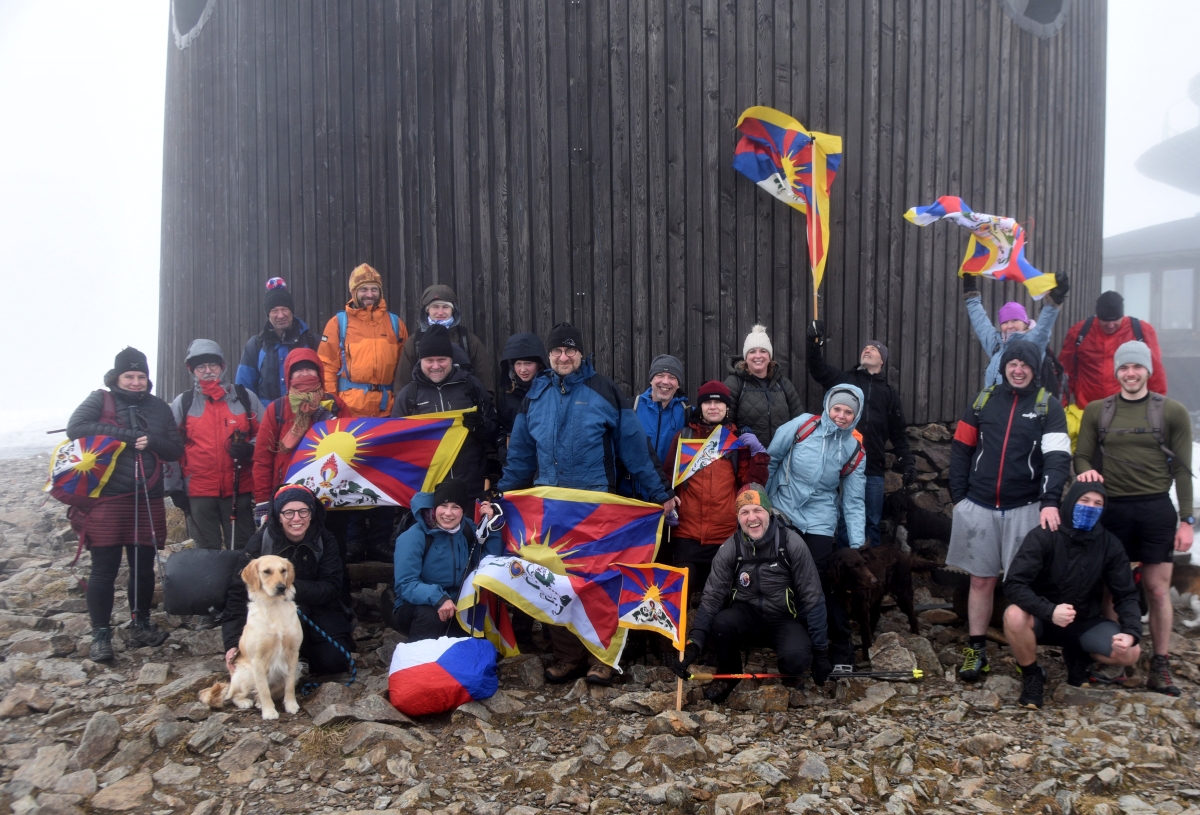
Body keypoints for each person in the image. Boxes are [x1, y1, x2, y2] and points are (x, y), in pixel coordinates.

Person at [498, 322, 677, 685]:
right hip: (550, 506)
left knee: (598, 581)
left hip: (597, 504)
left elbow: (634, 448)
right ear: (548, 356)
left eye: (570, 351)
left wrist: (660, 493)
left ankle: (602, 657)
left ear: (582, 353)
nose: (564, 358)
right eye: (556, 352)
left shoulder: (605, 390)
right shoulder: (536, 394)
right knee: (555, 582)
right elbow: (520, 455)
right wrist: (502, 496)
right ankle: (567, 657)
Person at [1074, 340, 1193, 695]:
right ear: (1116, 372)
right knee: (1113, 588)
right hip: (1113, 510)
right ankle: (1119, 660)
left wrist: (1187, 520)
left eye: (1137, 367)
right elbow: (1081, 457)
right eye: (1124, 368)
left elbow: (1184, 470)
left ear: (1148, 370)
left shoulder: (1171, 411)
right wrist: (1088, 476)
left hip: (1157, 509)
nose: (1130, 373)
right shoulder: (1099, 410)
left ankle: (1160, 664)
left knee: (1157, 590)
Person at [948, 340, 1071, 682]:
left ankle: (1023, 652)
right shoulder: (984, 400)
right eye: (1012, 363)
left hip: (1026, 506)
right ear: (1004, 367)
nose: (1018, 370)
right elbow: (961, 448)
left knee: (1024, 584)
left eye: (1025, 365)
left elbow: (1057, 460)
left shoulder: (1049, 406)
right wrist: (959, 496)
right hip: (980, 505)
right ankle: (976, 650)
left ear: (1035, 368)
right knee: (981, 580)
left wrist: (1049, 501)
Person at [66, 348, 184, 661]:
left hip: (148, 495)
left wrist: (152, 442)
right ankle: (100, 635)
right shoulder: (100, 399)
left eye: (140, 376)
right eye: (129, 376)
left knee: (143, 566)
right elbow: (75, 428)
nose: (135, 382)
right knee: (104, 568)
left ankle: (140, 625)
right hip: (107, 497)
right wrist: (125, 435)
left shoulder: (159, 408)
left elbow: (174, 448)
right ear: (117, 377)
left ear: (147, 379)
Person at [670, 485, 831, 704]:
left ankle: (791, 674)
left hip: (784, 617)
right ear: (738, 517)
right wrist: (694, 643)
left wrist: (821, 652)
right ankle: (729, 673)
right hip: (747, 616)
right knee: (721, 623)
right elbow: (711, 597)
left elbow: (813, 597)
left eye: (757, 510)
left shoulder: (791, 543)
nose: (752, 518)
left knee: (797, 658)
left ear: (769, 512)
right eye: (744, 512)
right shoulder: (731, 547)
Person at [1002, 481, 1143, 709]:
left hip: (1084, 622)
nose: (1090, 507)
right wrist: (1049, 610)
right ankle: (1032, 674)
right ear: (1071, 502)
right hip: (1042, 619)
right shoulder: (1044, 534)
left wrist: (1131, 633)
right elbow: (1014, 584)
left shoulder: (1109, 544)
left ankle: (1078, 656)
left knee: (1131, 653)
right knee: (1014, 615)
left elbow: (1126, 594)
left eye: (1098, 504)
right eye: (1084, 501)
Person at [766, 384, 867, 670]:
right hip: (784, 509)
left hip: (821, 519)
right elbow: (770, 461)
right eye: (837, 409)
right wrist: (761, 505)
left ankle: (841, 646)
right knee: (783, 577)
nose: (841, 415)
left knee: (820, 582)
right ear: (827, 406)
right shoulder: (802, 426)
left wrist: (857, 545)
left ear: (856, 416)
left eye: (849, 412)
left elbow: (854, 501)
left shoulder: (854, 451)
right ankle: (793, 643)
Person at [318, 263, 409, 564]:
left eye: (373, 290)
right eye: (363, 290)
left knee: (382, 474)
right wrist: (331, 402)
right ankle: (355, 540)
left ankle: (381, 539)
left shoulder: (395, 323)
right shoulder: (339, 323)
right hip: (350, 410)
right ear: (353, 293)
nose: (369, 295)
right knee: (351, 475)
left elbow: (406, 367)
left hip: (385, 409)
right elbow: (327, 365)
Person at [222, 485, 354, 677]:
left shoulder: (325, 540)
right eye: (289, 513)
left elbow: (332, 586)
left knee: (333, 663)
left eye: (303, 511)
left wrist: (289, 588)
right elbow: (238, 592)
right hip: (271, 615)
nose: (297, 519)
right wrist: (233, 643)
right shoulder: (261, 543)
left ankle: (303, 656)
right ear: (278, 515)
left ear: (311, 513)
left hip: (319, 611)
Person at [806, 323, 916, 547]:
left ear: (882, 360)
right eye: (865, 347)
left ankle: (871, 568)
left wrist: (908, 463)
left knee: (872, 521)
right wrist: (813, 343)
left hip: (873, 467)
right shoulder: (846, 380)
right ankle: (847, 567)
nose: (867, 349)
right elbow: (818, 369)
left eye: (874, 349)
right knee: (845, 521)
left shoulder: (889, 394)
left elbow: (898, 433)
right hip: (842, 464)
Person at [662, 381, 768, 594]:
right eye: (707, 402)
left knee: (721, 595)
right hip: (687, 534)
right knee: (681, 594)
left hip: (724, 535)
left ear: (726, 407)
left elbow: (750, 487)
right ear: (699, 407)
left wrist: (759, 456)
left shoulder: (735, 442)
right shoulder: (684, 437)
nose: (713, 407)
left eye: (718, 403)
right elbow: (667, 477)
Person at [169, 340, 262, 552]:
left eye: (213, 365)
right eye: (201, 367)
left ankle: (238, 586)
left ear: (222, 366)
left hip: (239, 488)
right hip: (199, 491)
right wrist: (175, 489)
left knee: (242, 548)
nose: (208, 371)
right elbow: (170, 448)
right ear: (192, 370)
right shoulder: (183, 403)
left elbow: (265, 435)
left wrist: (250, 449)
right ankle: (211, 586)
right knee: (206, 550)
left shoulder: (245, 397)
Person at [392, 324, 500, 498]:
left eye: (441, 359)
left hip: (469, 486)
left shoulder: (471, 386)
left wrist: (480, 425)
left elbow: (494, 431)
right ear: (421, 361)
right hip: (425, 488)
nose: (436, 366)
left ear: (451, 359)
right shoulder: (409, 395)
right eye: (429, 360)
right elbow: (395, 444)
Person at [388, 478, 502, 641]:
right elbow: (405, 584)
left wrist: (493, 526)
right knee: (430, 614)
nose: (448, 513)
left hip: (457, 605)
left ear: (463, 510)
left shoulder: (467, 529)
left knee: (472, 642)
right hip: (417, 605)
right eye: (443, 506)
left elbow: (486, 564)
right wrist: (439, 598)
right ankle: (419, 660)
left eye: (455, 507)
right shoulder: (414, 537)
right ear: (435, 508)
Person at [1059, 291, 1169, 444]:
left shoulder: (1142, 331)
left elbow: (1155, 374)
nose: (1110, 325)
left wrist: (1156, 413)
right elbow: (1065, 373)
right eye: (1105, 321)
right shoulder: (1080, 332)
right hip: (1087, 412)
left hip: (1128, 413)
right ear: (1097, 316)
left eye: (1115, 320)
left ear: (1123, 315)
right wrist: (1059, 409)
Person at [251, 348, 348, 520]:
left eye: (309, 369)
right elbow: (262, 459)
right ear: (289, 376)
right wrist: (262, 502)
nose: (304, 374)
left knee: (332, 543)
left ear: (319, 372)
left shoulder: (335, 404)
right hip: (288, 493)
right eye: (298, 370)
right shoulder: (277, 409)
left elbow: (349, 445)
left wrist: (329, 421)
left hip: (329, 492)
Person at [961, 272, 1069, 388]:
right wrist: (970, 292)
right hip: (993, 404)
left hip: (1023, 405)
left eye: (1015, 321)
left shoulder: (1033, 343)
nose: (1010, 326)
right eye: (1005, 322)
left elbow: (1044, 325)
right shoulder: (996, 344)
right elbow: (980, 322)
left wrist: (1055, 300)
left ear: (1025, 323)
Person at [394, 283, 495, 399]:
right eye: (435, 307)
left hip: (463, 409)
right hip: (424, 411)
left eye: (445, 307)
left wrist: (486, 414)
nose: (440, 312)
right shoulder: (414, 342)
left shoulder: (468, 340)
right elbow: (401, 386)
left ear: (453, 310)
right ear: (427, 310)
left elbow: (485, 385)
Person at [235, 277, 319, 402]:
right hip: (267, 417)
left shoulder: (312, 341)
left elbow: (326, 379)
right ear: (268, 315)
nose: (280, 315)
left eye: (284, 309)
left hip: (306, 414)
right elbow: (243, 388)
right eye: (274, 311)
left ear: (292, 311)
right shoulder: (255, 345)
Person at [724, 324, 803, 446]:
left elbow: (800, 422)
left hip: (782, 458)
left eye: (763, 351)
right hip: (748, 459)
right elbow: (726, 425)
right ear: (746, 357)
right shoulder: (734, 384)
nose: (758, 356)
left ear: (769, 356)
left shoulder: (783, 384)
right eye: (752, 351)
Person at [495, 332, 548, 466]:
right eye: (518, 364)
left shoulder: (551, 390)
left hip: (545, 459)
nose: (523, 369)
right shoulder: (508, 392)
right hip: (517, 461)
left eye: (528, 363)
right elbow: (503, 426)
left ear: (539, 364)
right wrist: (501, 445)